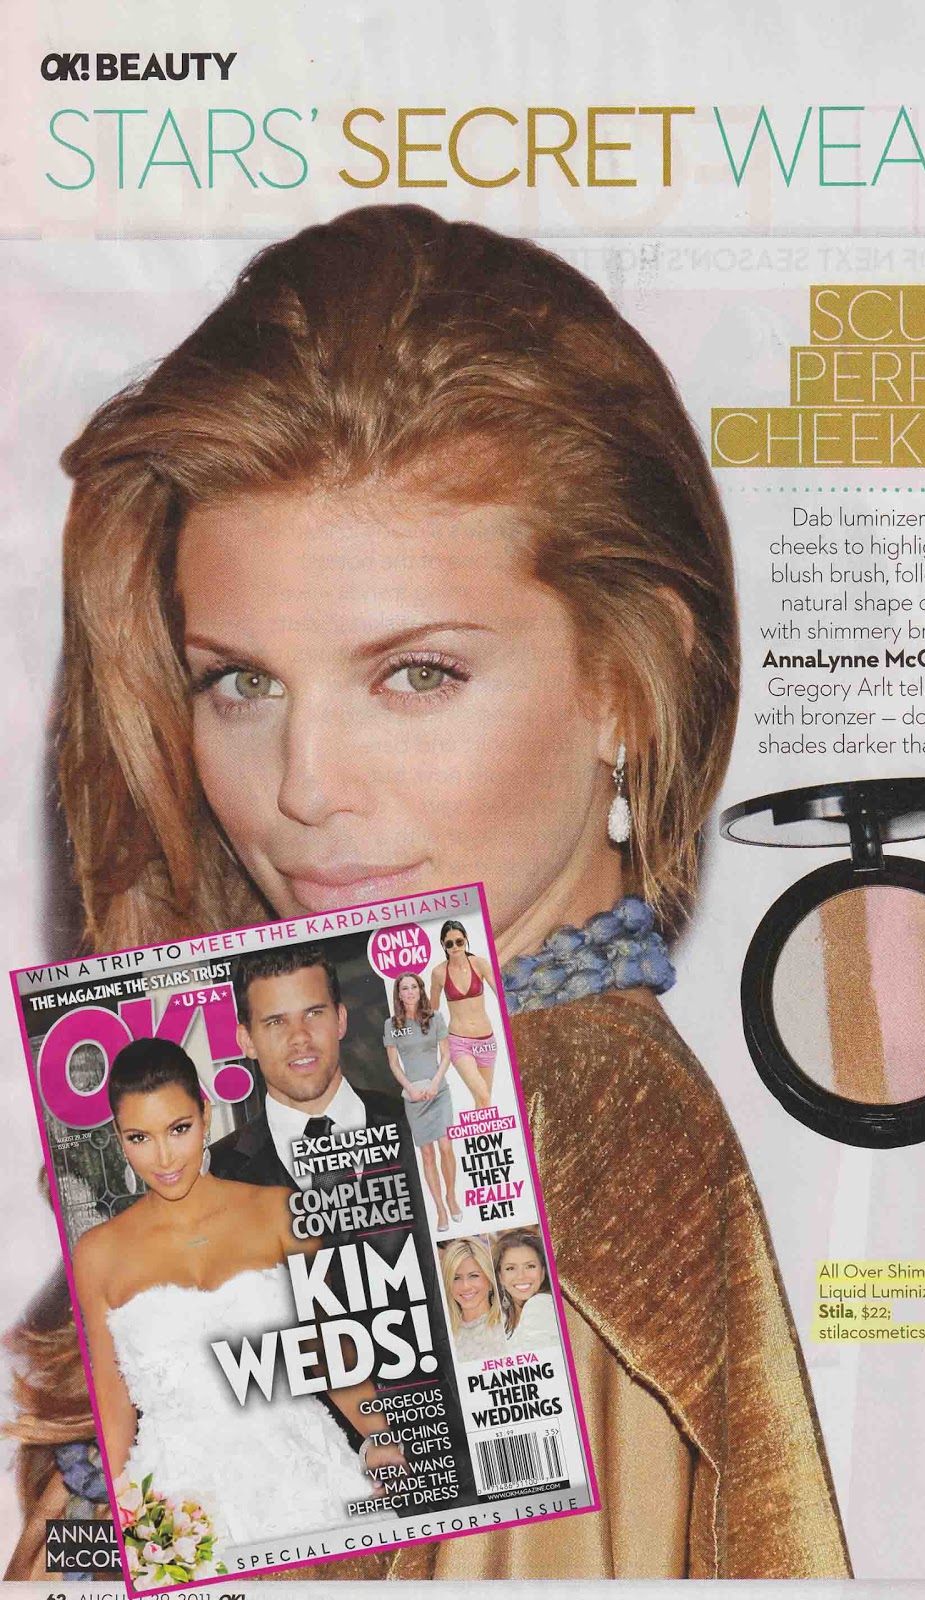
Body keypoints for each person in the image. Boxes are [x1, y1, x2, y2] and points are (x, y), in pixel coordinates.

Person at [12, 205, 850, 1580]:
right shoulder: (395, 1100)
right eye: (241, 681)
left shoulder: (532, 1125)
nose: (303, 785)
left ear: (625, 684)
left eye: (416, 674)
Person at [70, 1039, 401, 1559]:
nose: (163, 1157)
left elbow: (330, 1353)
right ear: (118, 1137)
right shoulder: (97, 1255)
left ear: (205, 1114)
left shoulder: (279, 1212)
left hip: (305, 1476)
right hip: (176, 1503)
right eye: (139, 1137)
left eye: (178, 1129)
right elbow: (114, 1410)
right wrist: (118, 1518)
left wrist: (385, 1444)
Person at [210, 944, 401, 1187]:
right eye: (276, 1022)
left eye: (313, 1014)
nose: (300, 1037)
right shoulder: (215, 1175)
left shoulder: (414, 1123)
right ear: (247, 1041)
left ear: (340, 1020)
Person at [383, 973, 459, 1232]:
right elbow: (394, 1064)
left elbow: (446, 1055)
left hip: (439, 1091)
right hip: (414, 1096)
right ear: (398, 994)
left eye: (413, 987)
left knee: (446, 1146)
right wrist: (410, 1089)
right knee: (427, 1153)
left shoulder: (435, 1017)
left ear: (420, 989)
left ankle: (451, 1196)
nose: (410, 992)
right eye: (404, 988)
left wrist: (436, 1083)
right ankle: (440, 1209)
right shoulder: (392, 1025)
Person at [429, 923, 497, 1103]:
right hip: (459, 1041)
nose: (455, 947)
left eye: (459, 942)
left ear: (465, 939)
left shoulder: (480, 964)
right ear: (443, 944)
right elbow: (433, 1011)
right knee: (483, 1094)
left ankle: (486, 1124)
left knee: (483, 1100)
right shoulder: (439, 973)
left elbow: (501, 994)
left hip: (486, 1040)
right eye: (449, 944)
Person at [437, 1238, 508, 1364]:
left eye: (474, 1276)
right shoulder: (443, 1335)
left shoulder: (511, 1327)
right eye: (456, 1278)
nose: (465, 1286)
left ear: (490, 1280)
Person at [493, 1229, 560, 1349]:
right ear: (500, 1277)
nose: (521, 1276)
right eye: (510, 1268)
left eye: (530, 1266)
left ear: (543, 1272)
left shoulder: (540, 1304)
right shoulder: (503, 1319)